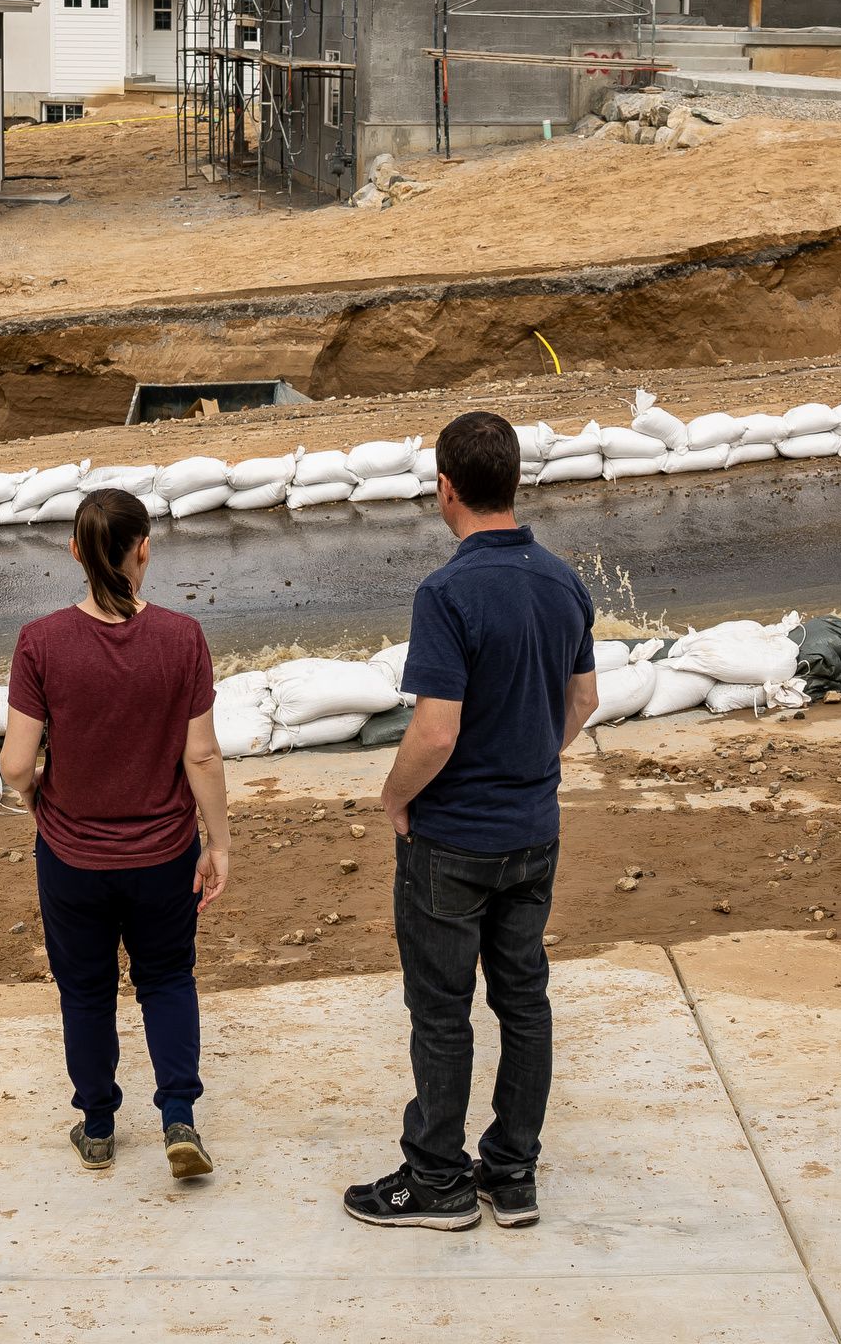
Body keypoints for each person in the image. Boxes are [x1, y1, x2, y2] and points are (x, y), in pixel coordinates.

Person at [344, 411, 596, 1233]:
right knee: (524, 998)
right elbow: (585, 700)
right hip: (533, 832)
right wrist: (531, 757)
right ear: (515, 482)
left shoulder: (446, 593)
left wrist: (395, 796)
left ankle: (438, 1180)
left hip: (452, 840)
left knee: (442, 1009)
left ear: (444, 488)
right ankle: (513, 1174)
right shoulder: (564, 581)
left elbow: (437, 729)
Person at [0, 487, 230, 1182]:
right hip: (164, 855)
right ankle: (178, 1119)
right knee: (167, 979)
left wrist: (40, 801)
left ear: (74, 552)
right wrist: (218, 843)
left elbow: (14, 763)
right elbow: (202, 756)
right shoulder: (182, 638)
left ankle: (98, 1128)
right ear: (143, 550)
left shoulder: (40, 643)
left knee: (88, 991)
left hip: (72, 858)